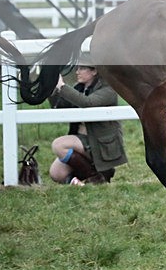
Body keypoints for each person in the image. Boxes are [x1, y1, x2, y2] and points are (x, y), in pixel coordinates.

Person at [48, 55, 128, 185]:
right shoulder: (79, 88)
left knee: (58, 145)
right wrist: (53, 88)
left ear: (94, 71)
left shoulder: (108, 90)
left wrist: (63, 87)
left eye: (82, 68)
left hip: (101, 145)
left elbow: (88, 102)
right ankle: (82, 180)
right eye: (77, 68)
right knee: (56, 173)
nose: (77, 71)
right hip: (82, 142)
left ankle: (95, 177)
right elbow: (60, 106)